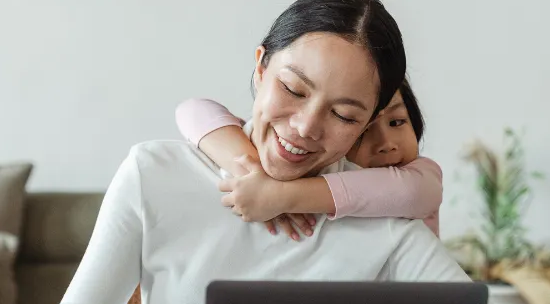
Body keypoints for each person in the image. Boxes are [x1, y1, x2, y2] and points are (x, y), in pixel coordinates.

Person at [0, 0, 533, 304]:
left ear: (368, 124)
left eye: (344, 114)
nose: (305, 127)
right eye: (293, 89)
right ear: (259, 68)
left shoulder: (380, 216)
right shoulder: (156, 175)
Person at [174, 78, 442, 240]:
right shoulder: (312, 165)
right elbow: (193, 110)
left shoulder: (421, 176)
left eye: (397, 122)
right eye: (363, 131)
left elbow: (410, 192)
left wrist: (281, 195)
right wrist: (251, 172)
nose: (387, 144)